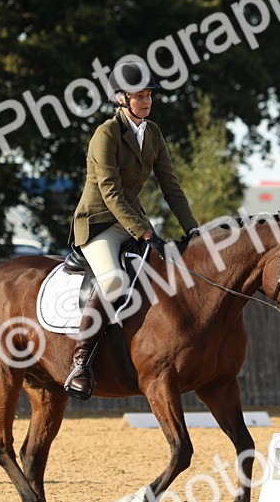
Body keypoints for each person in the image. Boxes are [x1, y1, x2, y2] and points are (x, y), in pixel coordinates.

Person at [63, 60, 200, 400]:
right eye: (139, 96)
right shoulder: (106, 134)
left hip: (132, 222)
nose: (146, 101)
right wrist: (145, 232)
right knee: (112, 281)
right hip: (98, 223)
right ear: (121, 99)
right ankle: (80, 363)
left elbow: (171, 186)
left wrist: (194, 230)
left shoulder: (153, 133)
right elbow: (110, 192)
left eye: (149, 95)